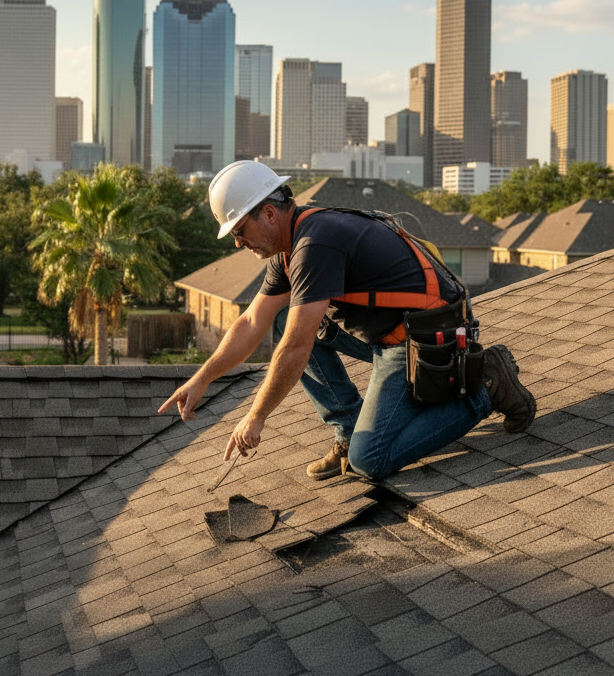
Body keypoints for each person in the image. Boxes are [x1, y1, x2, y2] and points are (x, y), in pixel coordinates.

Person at [158, 161, 536, 481]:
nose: (238, 243)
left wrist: (255, 418)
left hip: (424, 341)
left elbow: (295, 347)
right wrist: (202, 378)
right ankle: (349, 429)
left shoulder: (314, 244)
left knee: (370, 460)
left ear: (269, 213)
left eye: (240, 231)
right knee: (282, 322)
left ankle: (487, 384)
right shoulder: (289, 250)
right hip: (391, 332)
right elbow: (252, 322)